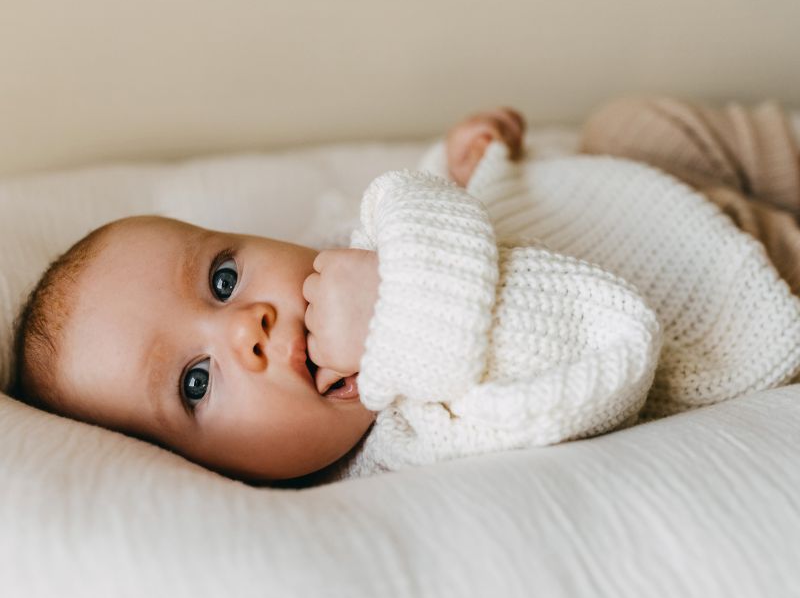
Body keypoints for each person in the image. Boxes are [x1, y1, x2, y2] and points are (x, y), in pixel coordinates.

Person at [11, 102, 800, 483]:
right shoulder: (417, 438)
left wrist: (455, 168)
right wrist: (394, 314)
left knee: (633, 124)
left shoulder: (332, 255)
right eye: (195, 382)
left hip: (630, 188)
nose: (247, 327)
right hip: (734, 289)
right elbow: (596, 356)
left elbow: (392, 206)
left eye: (222, 278)